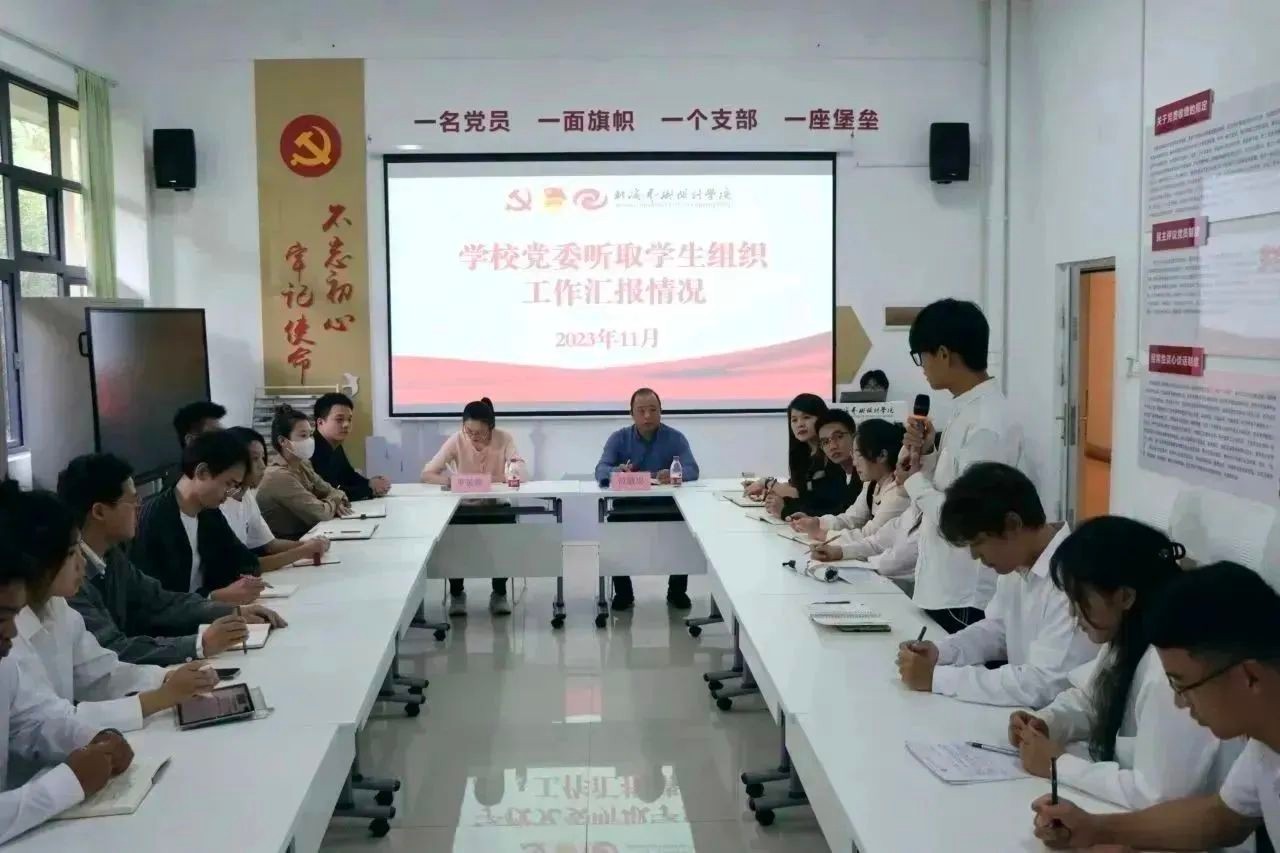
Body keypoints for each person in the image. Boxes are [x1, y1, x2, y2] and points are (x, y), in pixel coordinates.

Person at [1033, 562, 1280, 852]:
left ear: (1250, 677)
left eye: (1182, 685)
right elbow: (1220, 818)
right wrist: (1096, 829)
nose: (1179, 702)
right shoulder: (1264, 741)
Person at [1008, 516, 1242, 812]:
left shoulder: (1169, 669)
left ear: (1126, 596)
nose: (1072, 614)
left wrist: (1058, 765)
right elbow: (1092, 699)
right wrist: (1048, 722)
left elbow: (1156, 795)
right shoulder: (1128, 636)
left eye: (1079, 600)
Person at [4, 483, 217, 735]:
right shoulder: (8, 632)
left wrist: (164, 679)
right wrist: (159, 698)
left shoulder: (58, 607)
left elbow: (101, 673)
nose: (82, 563)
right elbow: (48, 722)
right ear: (39, 561)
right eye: (72, 553)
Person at [895, 462, 1096, 706]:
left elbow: (1044, 684)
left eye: (978, 542)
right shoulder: (1017, 563)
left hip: (1055, 721)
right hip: (1026, 716)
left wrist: (937, 679)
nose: (974, 556)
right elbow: (997, 630)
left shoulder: (1073, 578)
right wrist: (942, 652)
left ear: (1012, 525)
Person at [59, 453, 283, 666]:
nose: (139, 506)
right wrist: (199, 644)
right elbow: (110, 651)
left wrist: (232, 611)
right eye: (132, 500)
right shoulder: (67, 578)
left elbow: (161, 600)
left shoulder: (112, 556)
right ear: (99, 512)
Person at [0, 500, 136, 842]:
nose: (12, 631)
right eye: (3, 618)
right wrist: (68, 783)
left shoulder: (5, 663)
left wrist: (93, 738)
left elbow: (34, 719)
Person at [902, 298, 1024, 632]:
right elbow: (953, 484)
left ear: (943, 353)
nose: (922, 367)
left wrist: (912, 481)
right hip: (944, 586)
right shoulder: (967, 409)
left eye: (922, 356)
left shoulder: (986, 422)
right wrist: (928, 452)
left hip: (964, 593)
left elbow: (966, 516)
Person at [593, 388, 700, 611]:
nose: (647, 416)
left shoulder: (675, 438)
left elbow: (692, 469)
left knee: (683, 528)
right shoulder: (619, 438)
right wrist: (617, 471)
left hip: (667, 507)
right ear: (631, 413)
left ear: (661, 411)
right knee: (614, 529)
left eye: (653, 410)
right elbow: (601, 469)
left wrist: (675, 474)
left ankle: (677, 591)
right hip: (628, 507)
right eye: (641, 411)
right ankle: (623, 593)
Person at [420, 398, 527, 617]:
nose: (474, 437)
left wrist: (512, 471)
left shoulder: (504, 438)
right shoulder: (457, 440)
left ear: (491, 427)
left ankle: (499, 593)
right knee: (454, 539)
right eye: (469, 431)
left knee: (503, 538)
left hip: (496, 506)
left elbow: (520, 471)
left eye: (480, 433)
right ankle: (457, 594)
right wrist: (450, 481)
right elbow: (427, 473)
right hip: (465, 507)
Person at [134, 429, 264, 602]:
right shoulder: (153, 519)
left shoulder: (209, 514)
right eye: (228, 483)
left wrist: (243, 581)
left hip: (207, 613)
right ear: (202, 472)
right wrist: (212, 597)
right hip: (180, 617)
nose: (229, 493)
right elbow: (152, 600)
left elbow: (246, 561)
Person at [222, 427, 331, 572]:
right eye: (254, 459)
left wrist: (310, 544)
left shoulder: (246, 496)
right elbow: (245, 566)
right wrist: (302, 551)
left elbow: (270, 544)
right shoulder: (219, 504)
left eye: (263, 458)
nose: (262, 466)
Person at [795, 417, 909, 553]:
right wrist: (817, 522)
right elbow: (851, 519)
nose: (854, 463)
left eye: (859, 455)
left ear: (882, 455)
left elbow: (870, 536)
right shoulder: (872, 484)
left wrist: (823, 534)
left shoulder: (899, 492)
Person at [749, 394, 856, 519]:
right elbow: (800, 490)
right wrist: (776, 496)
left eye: (806, 417)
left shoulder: (836, 455)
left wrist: (783, 504)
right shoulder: (802, 454)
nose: (800, 424)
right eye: (794, 420)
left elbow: (818, 500)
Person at [257, 405, 350, 540]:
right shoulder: (277, 476)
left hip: (312, 536)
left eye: (310, 435)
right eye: (303, 435)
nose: (309, 440)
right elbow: (321, 514)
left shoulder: (303, 464)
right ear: (283, 441)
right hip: (289, 544)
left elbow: (330, 490)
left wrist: (334, 499)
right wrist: (335, 500)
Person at [312, 392, 390, 500]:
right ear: (320, 422)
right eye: (339, 419)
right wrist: (370, 490)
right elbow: (330, 491)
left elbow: (348, 475)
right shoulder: (312, 450)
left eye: (349, 419)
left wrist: (370, 483)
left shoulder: (335, 445)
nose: (346, 424)